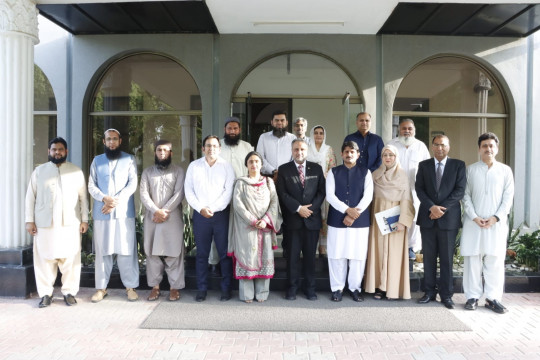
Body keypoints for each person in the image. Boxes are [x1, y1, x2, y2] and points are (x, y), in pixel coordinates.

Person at [25, 137, 89, 308]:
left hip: (70, 223)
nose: (57, 152)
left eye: (60, 149)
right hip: (45, 224)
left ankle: (69, 292)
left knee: (71, 258)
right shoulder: (39, 171)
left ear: (66, 151)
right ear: (49, 151)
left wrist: (84, 220)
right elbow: (30, 197)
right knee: (44, 260)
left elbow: (83, 198)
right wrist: (29, 221)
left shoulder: (75, 171)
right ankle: (46, 294)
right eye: (54, 149)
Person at [461, 133, 514, 314]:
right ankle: (472, 296)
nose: (488, 149)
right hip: (473, 222)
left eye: (491, 146)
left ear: (497, 148)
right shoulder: (470, 170)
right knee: (473, 260)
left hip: (496, 224)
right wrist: (474, 216)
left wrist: (495, 218)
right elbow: (465, 196)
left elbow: (508, 199)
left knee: (494, 260)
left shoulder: (505, 171)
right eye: (484, 146)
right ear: (479, 149)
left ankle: (493, 298)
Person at [88, 129, 139, 302]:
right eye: (108, 139)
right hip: (102, 213)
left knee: (126, 250)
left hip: (124, 213)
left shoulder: (129, 159)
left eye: (114, 139)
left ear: (120, 141)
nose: (111, 142)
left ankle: (130, 287)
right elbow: (91, 186)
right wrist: (105, 199)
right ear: (104, 141)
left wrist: (114, 201)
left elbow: (132, 184)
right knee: (103, 252)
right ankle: (101, 289)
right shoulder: (97, 161)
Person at [415, 135, 466, 309]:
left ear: (448, 147)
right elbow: (419, 189)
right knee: (428, 258)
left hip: (448, 220)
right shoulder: (424, 165)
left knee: (446, 259)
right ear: (432, 147)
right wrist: (431, 207)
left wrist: (441, 208)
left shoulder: (458, 165)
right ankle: (429, 292)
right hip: (428, 218)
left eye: (442, 145)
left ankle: (446, 295)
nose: (439, 148)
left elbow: (459, 191)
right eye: (436, 145)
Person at [184, 135, 235, 302]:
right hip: (200, 216)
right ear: (203, 148)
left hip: (220, 215)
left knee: (224, 254)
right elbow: (188, 190)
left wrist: (212, 208)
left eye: (214, 146)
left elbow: (228, 192)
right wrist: (200, 208)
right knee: (202, 254)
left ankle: (226, 289)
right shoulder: (194, 166)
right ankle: (201, 289)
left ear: (219, 149)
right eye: (208, 145)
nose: (211, 148)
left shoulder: (227, 166)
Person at [227, 151, 282, 302]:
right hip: (246, 228)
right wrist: (252, 220)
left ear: (261, 164)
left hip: (265, 227)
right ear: (246, 165)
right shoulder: (241, 182)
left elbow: (274, 203)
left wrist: (265, 220)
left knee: (265, 257)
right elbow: (238, 205)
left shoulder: (269, 182)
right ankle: (247, 295)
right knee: (246, 257)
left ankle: (262, 293)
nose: (254, 164)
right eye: (250, 161)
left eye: (257, 161)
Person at [277, 139, 325, 301]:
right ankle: (292, 288)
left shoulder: (317, 169)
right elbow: (282, 194)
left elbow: (321, 192)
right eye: (296, 149)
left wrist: (309, 210)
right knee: (292, 257)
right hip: (293, 221)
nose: (299, 152)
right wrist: (298, 209)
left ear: (307, 150)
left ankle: (310, 289)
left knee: (311, 257)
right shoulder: (284, 170)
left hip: (311, 220)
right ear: (292, 151)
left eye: (302, 149)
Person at [364, 145, 415, 300]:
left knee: (393, 253)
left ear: (396, 157)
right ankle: (379, 287)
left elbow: (407, 200)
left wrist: (403, 221)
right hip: (378, 217)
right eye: (385, 155)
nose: (388, 158)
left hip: (395, 220)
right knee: (378, 252)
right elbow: (369, 198)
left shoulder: (402, 176)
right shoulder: (375, 175)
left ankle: (392, 288)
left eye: (391, 155)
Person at [326, 141, 373, 302]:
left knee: (357, 256)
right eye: (346, 151)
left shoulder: (366, 172)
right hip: (337, 219)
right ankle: (337, 288)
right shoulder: (333, 172)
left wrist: (353, 214)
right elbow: (330, 196)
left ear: (358, 154)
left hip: (359, 221)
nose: (349, 154)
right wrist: (347, 210)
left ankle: (354, 288)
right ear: (341, 154)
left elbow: (368, 197)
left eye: (352, 151)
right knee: (336, 255)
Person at [207, 117, 254, 276]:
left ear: (239, 130)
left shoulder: (247, 146)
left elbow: (251, 169)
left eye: (235, 128)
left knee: (239, 229)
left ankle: (238, 261)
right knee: (218, 230)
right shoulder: (217, 146)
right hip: (219, 195)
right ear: (225, 130)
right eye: (229, 129)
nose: (232, 131)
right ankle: (214, 262)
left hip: (241, 194)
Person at [140, 140, 186, 302]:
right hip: (152, 218)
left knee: (174, 253)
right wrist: (156, 211)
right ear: (155, 152)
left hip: (172, 218)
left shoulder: (179, 172)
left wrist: (163, 211)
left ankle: (174, 287)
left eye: (166, 150)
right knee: (151, 253)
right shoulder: (147, 172)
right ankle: (155, 287)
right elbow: (144, 195)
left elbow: (179, 194)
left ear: (171, 153)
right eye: (159, 150)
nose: (162, 153)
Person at [388, 119, 430, 259]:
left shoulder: (420, 146)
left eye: (409, 129)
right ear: (399, 130)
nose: (407, 131)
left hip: (414, 189)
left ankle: (410, 247)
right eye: (404, 128)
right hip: (395, 189)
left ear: (414, 131)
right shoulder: (391, 144)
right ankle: (395, 246)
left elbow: (427, 168)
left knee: (413, 218)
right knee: (395, 215)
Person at [307, 125, 337, 257]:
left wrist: (325, 176)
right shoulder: (306, 148)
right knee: (312, 215)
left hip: (324, 187)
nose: (318, 135)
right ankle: (310, 247)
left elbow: (333, 167)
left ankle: (322, 247)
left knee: (324, 217)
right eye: (316, 133)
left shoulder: (328, 149)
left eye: (321, 133)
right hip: (309, 187)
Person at [256, 109, 297, 181]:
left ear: (286, 122)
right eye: (276, 120)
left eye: (282, 120)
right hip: (267, 177)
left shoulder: (292, 138)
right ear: (272, 122)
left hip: (288, 176)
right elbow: (260, 157)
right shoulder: (263, 137)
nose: (279, 123)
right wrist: (273, 171)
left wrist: (282, 171)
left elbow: (294, 157)